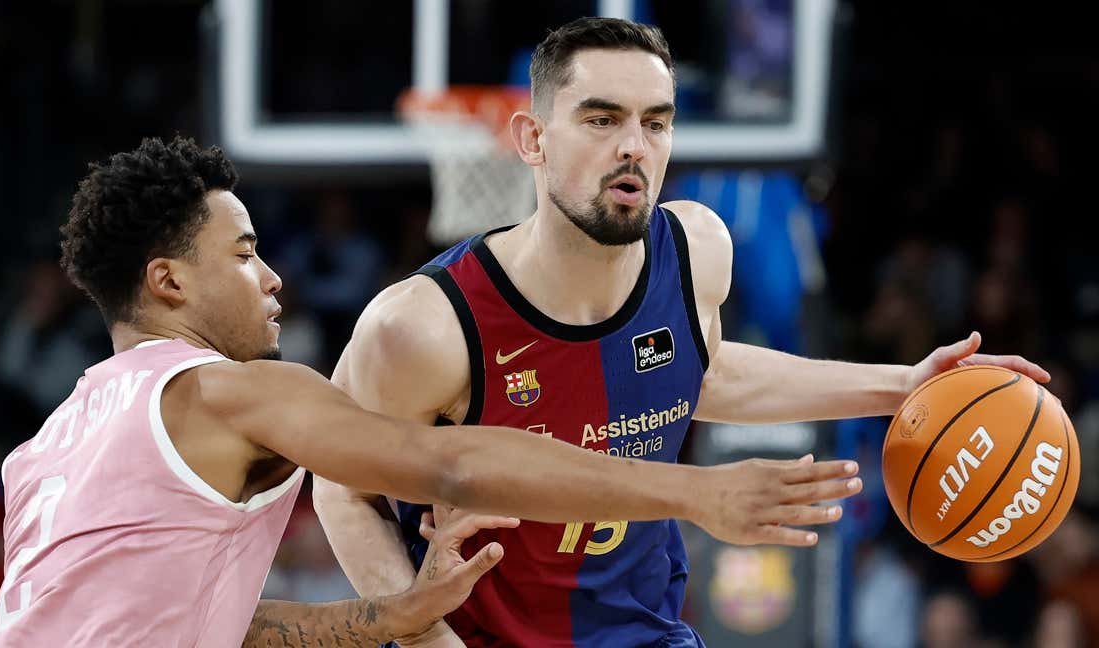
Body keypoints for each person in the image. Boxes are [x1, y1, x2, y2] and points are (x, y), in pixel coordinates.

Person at [313, 17, 1049, 648]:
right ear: (533, 138)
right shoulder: (424, 325)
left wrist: (902, 386)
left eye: (655, 122)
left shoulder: (699, 248)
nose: (634, 145)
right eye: (602, 120)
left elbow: (703, 371)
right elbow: (342, 490)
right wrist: (421, 634)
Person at [0, 136, 863, 647]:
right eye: (245, 252)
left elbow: (206, 628)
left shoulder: (49, 446)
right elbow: (448, 464)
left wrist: (389, 614)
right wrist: (695, 491)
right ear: (168, 282)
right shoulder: (223, 396)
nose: (273, 278)